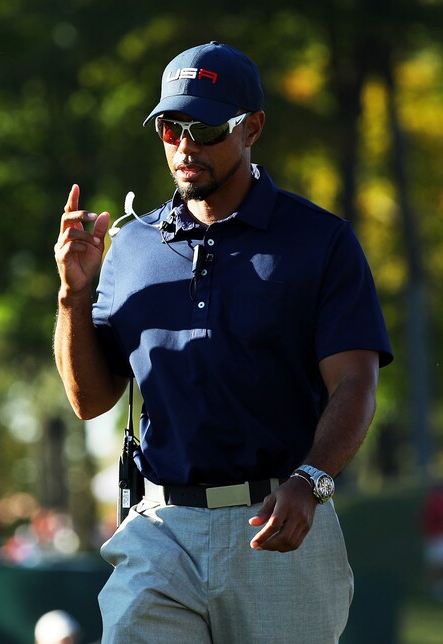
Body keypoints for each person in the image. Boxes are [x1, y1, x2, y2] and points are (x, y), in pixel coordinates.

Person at [53, 41, 392, 642]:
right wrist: (73, 297)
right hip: (159, 530)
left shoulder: (320, 240)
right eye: (170, 128)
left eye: (206, 128)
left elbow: (356, 381)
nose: (186, 146)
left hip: (281, 525)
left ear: (252, 127)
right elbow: (90, 401)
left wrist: (312, 479)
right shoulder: (130, 248)